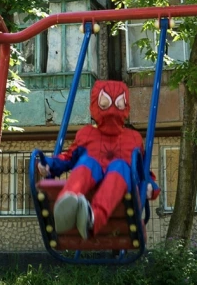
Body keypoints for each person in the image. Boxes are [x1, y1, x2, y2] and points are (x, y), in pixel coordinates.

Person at [38, 80, 159, 239]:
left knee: (120, 167)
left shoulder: (133, 139)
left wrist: (151, 186)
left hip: (118, 187)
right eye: (104, 103)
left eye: (118, 104)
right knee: (88, 163)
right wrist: (49, 164)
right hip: (104, 193)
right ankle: (68, 203)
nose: (112, 110)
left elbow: (143, 171)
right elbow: (68, 158)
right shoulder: (87, 134)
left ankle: (92, 217)